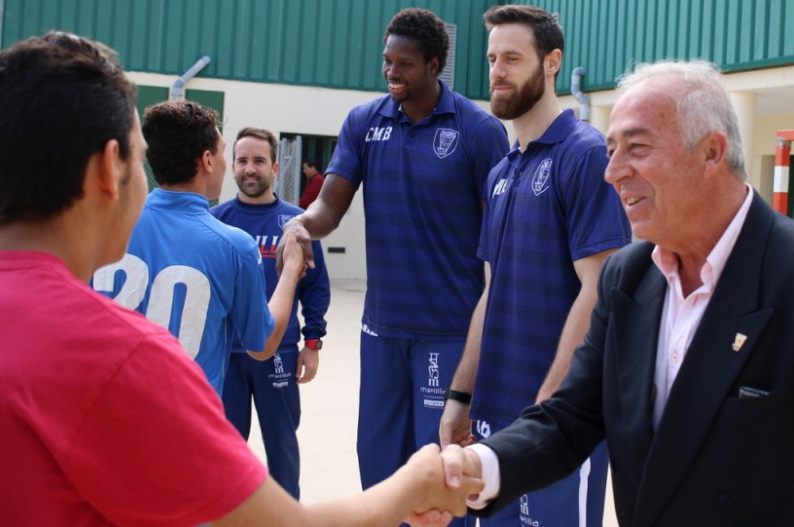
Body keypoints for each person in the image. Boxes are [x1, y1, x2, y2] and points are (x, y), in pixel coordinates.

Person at [0, 31, 481, 526]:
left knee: (281, 449)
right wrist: (413, 486)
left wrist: (310, 333)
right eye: (139, 157)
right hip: (237, 377)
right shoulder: (132, 354)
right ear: (109, 169)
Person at [439, 59, 794, 525]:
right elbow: (570, 417)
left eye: (636, 148)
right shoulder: (628, 277)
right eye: (611, 149)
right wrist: (477, 467)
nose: (612, 172)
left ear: (711, 154)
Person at [281, 8, 509, 516]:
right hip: (381, 329)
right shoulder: (364, 122)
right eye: (387, 62)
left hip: (448, 330)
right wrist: (300, 224)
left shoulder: (477, 130)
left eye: (404, 64)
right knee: (379, 463)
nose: (391, 73)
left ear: (433, 65)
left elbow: (501, 231)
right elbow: (328, 209)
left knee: (439, 465)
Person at [438, 5, 630, 526]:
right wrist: (461, 393)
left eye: (513, 58)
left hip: (560, 423)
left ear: (551, 63)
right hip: (495, 419)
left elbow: (600, 290)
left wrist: (549, 410)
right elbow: (491, 292)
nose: (497, 71)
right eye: (492, 58)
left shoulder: (585, 155)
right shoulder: (502, 171)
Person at [92, 100, 303, 396]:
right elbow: (263, 344)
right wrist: (291, 268)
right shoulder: (235, 246)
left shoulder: (103, 225)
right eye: (222, 151)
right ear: (206, 160)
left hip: (107, 407)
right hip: (183, 420)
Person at [211, 127, 331, 499]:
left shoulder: (296, 225)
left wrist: (312, 341)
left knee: (282, 449)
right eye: (243, 160)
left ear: (275, 168)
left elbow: (315, 286)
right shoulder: (216, 220)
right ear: (232, 167)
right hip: (226, 355)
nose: (250, 169)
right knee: (225, 451)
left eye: (259, 161)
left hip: (279, 352)